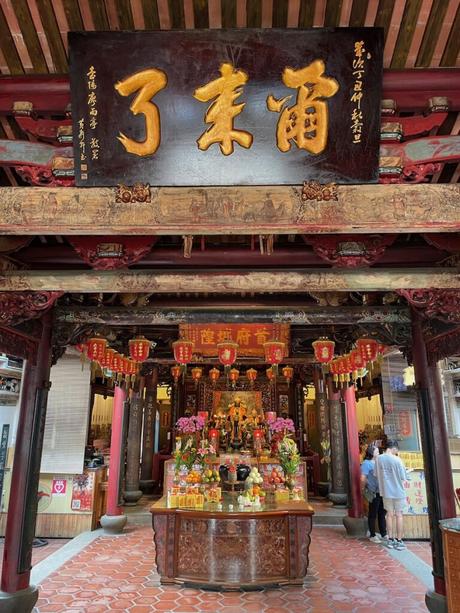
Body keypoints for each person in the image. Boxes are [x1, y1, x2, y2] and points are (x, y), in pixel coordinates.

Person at [375, 439, 408, 550]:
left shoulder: (378, 459)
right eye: (396, 450)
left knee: (389, 515)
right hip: (398, 491)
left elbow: (376, 474)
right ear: (393, 448)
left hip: (385, 491)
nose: (396, 452)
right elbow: (403, 477)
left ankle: (390, 539)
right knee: (399, 515)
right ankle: (399, 541)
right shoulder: (397, 460)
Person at [361, 443, 387, 544]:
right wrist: (363, 488)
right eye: (376, 451)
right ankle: (372, 534)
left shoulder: (379, 462)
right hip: (373, 491)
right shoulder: (366, 463)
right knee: (373, 513)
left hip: (382, 491)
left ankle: (384, 533)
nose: (378, 452)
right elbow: (363, 477)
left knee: (382, 512)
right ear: (372, 453)